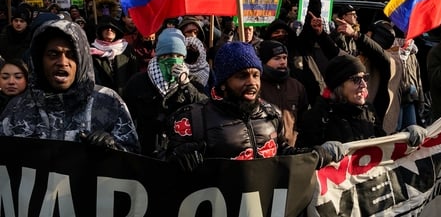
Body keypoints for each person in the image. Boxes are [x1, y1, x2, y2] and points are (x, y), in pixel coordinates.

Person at [163, 41, 346, 172]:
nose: (252, 83)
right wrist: (176, 160)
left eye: (255, 75)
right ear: (223, 83)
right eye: (242, 76)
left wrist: (317, 153)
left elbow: (282, 155)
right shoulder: (192, 119)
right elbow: (158, 169)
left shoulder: (271, 114)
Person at [0, 19, 140, 153]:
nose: (62, 62)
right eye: (53, 54)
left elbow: (134, 163)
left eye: (71, 55)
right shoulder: (17, 108)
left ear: (82, 60)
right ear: (39, 59)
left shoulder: (108, 102)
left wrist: (114, 150)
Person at [296, 54, 427, 148]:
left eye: (365, 78)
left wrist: (405, 136)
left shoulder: (368, 111)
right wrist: (320, 153)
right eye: (356, 79)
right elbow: (301, 159)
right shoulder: (317, 116)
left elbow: (382, 144)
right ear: (338, 86)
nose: (364, 85)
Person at [123, 28, 208, 157]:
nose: (173, 60)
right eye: (168, 56)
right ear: (158, 56)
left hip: (180, 155)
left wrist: (186, 85)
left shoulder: (193, 83)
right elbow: (126, 118)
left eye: (178, 56)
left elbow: (205, 109)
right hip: (146, 154)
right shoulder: (138, 82)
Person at [258, 40, 308, 146]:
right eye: (277, 58)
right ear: (265, 61)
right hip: (266, 149)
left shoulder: (296, 86)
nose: (282, 62)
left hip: (292, 148)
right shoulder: (256, 86)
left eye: (284, 57)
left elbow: (304, 118)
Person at [90, 16, 139, 98]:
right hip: (102, 96)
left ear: (117, 32)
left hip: (125, 95)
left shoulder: (126, 49)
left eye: (112, 29)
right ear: (100, 32)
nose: (109, 30)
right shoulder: (92, 51)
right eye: (106, 28)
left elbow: (134, 71)